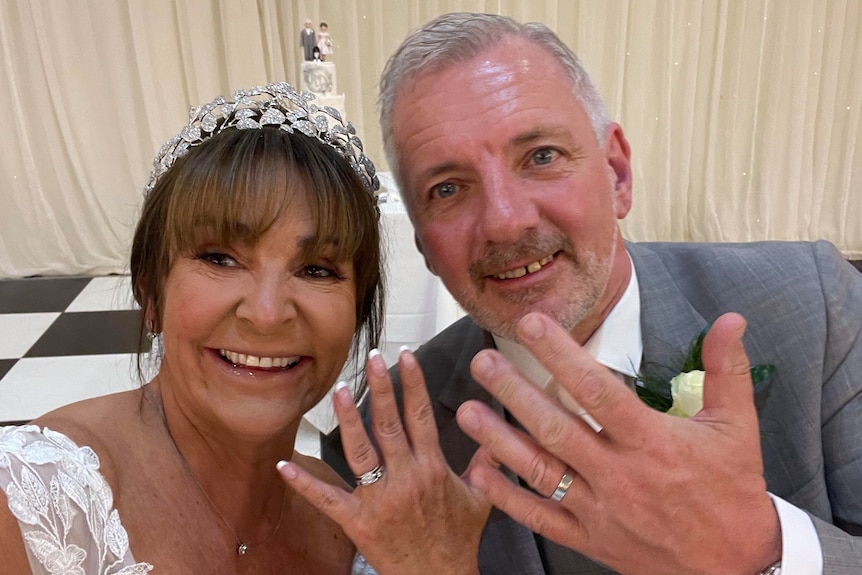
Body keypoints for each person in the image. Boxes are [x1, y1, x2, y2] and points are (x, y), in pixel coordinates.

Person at [320, 12, 862, 574]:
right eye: (448, 188)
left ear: (617, 173)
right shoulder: (393, 449)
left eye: (541, 156)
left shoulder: (816, 310)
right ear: (423, 245)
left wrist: (759, 550)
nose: (505, 222)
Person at [0, 81, 398, 574]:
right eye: (220, 258)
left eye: (317, 269)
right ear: (151, 292)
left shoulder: (350, 523)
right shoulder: (32, 503)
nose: (268, 313)